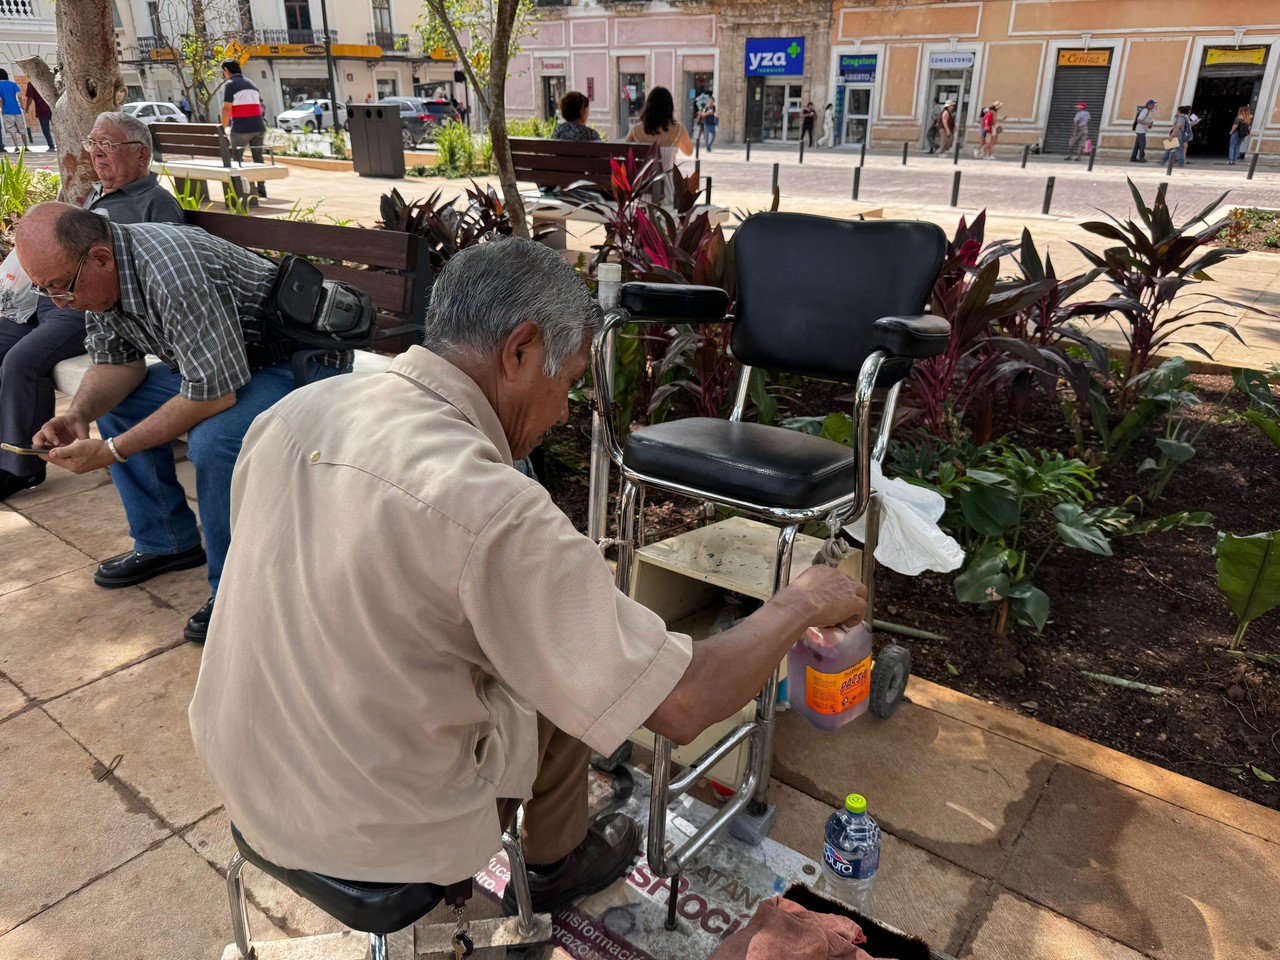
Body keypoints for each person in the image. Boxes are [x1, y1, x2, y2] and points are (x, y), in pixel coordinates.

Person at [187, 237, 867, 915]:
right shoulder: (493, 505)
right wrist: (799, 603)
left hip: (244, 779)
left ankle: (550, 847)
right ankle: (554, 862)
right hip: (379, 835)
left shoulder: (296, 413)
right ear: (519, 350)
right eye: (567, 379)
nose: (566, 409)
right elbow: (681, 703)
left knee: (556, 648)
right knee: (586, 674)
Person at [15, 203, 351, 641]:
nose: (60, 302)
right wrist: (78, 414)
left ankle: (237, 589)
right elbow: (119, 367)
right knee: (121, 405)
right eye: (46, 291)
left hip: (301, 361)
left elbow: (216, 392)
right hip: (231, 363)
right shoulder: (98, 274)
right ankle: (166, 542)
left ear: (100, 258)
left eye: (62, 288)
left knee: (215, 440)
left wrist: (112, 450)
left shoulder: (170, 270)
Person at [0, 112, 184, 501]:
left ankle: (21, 466)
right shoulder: (93, 195)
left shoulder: (156, 203)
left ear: (141, 155)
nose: (97, 154)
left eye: (109, 146)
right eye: (93, 144)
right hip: (51, 297)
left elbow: (168, 268)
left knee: (21, 362)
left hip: (89, 304)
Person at [219, 59, 267, 199]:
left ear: (226, 70)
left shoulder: (230, 84)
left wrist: (223, 128)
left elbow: (227, 108)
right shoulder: (252, 83)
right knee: (258, 157)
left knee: (237, 157)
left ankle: (243, 190)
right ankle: (261, 188)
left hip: (241, 128)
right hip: (258, 126)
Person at [625, 86, 694, 156]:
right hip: (669, 167)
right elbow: (689, 152)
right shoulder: (679, 129)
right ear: (670, 107)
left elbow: (625, 151)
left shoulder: (635, 130)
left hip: (643, 167)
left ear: (648, 106)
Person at [0, 69, 27, 153]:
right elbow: (19, 95)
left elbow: (0, 99)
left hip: (7, 110)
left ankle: (16, 147)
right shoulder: (13, 84)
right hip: (17, 109)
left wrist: (1, 108)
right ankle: (26, 146)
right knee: (22, 129)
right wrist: (22, 106)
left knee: (12, 130)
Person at [25, 80, 52, 150]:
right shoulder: (48, 80)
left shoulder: (32, 83)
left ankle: (51, 146)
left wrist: (27, 107)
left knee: (46, 129)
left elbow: (30, 98)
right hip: (53, 107)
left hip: (42, 109)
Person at [1131, 98, 1156, 163]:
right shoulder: (1145, 110)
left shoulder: (1147, 111)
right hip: (1140, 130)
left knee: (1137, 145)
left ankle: (1133, 157)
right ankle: (1141, 157)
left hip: (1141, 130)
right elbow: (1138, 120)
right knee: (1142, 144)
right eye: (1153, 105)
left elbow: (1147, 123)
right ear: (1149, 105)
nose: (1154, 106)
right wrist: (1147, 123)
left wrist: (1150, 124)